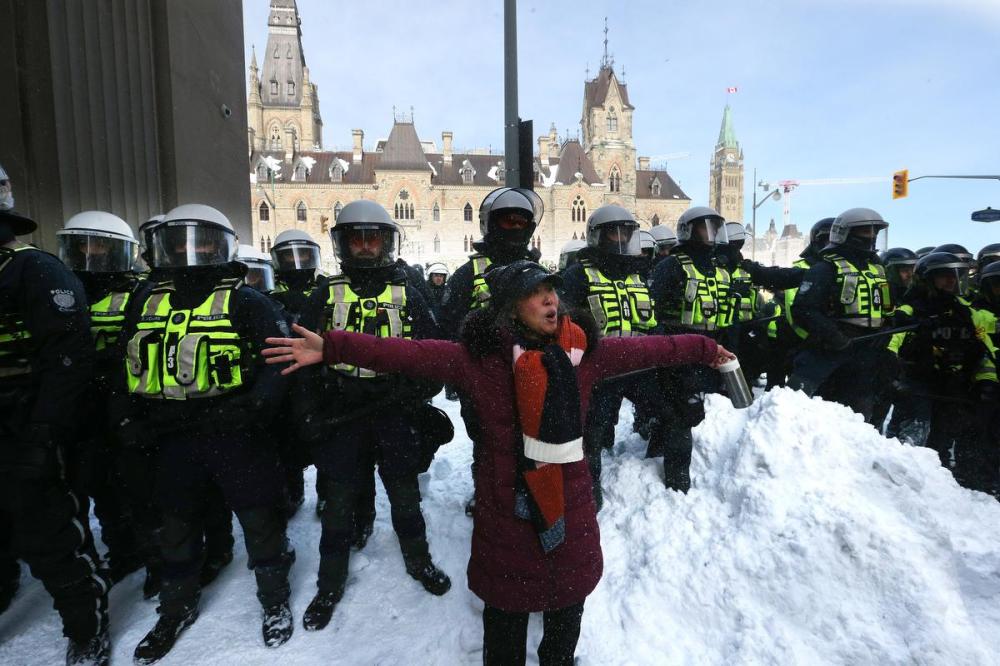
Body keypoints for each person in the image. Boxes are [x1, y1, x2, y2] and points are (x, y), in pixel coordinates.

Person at [263, 259, 734, 666]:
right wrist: (333, 347)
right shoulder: (480, 362)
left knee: (567, 608)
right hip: (506, 507)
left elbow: (657, 347)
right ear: (511, 308)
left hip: (570, 506)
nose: (550, 302)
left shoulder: (584, 356)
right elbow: (406, 353)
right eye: (535, 295)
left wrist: (708, 348)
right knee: (505, 617)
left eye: (551, 291)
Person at [117, 204, 295, 662]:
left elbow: (279, 363)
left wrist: (254, 407)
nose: (188, 253)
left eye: (200, 243)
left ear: (222, 248)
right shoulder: (145, 301)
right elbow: (122, 365)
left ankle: (274, 599)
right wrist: (127, 418)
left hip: (234, 430)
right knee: (175, 522)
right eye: (177, 243)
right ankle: (176, 606)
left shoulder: (246, 301)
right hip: (171, 433)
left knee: (258, 517)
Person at [295, 200, 450, 632]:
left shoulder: (411, 294)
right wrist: (308, 409)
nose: (365, 247)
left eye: (373, 238)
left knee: (404, 496)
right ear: (343, 243)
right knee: (339, 503)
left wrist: (415, 391)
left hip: (394, 412)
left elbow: (435, 356)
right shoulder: (324, 294)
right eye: (356, 238)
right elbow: (298, 356)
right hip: (342, 413)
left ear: (387, 242)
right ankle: (329, 584)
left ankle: (419, 562)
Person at [0, 165, 112, 665]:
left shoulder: (32, 270)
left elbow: (69, 357)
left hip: (24, 425)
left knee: (50, 535)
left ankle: (86, 627)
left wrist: (44, 432)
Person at [56, 211, 146, 586]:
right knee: (98, 486)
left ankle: (154, 556)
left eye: (101, 247)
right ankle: (123, 550)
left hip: (127, 401)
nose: (91, 255)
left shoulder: (139, 292)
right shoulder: (62, 292)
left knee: (138, 486)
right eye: (83, 247)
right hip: (80, 404)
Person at [438, 187, 542, 514]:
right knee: (486, 443)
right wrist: (456, 377)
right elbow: (446, 328)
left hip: (530, 374)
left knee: (530, 439)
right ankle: (486, 492)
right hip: (483, 378)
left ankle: (526, 491)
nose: (513, 228)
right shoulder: (467, 273)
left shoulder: (539, 271)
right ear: (490, 224)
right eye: (506, 221)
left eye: (519, 222)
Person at [559, 205, 660, 503]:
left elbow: (654, 323)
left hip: (638, 366)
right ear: (597, 236)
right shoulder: (578, 276)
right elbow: (562, 324)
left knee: (673, 409)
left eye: (626, 233)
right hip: (598, 367)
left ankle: (667, 472)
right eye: (613, 232)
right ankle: (590, 493)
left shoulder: (639, 276)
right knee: (591, 429)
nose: (620, 239)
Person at [887, 252, 998, 495]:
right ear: (928, 280)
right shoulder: (909, 308)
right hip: (919, 382)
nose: (953, 282)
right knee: (916, 433)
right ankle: (900, 486)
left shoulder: (967, 311)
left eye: (957, 276)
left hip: (953, 385)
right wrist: (894, 373)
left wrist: (986, 380)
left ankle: (941, 489)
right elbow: (890, 343)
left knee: (944, 437)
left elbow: (985, 349)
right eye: (945, 277)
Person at [649, 206, 731, 492]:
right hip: (679, 349)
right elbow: (653, 310)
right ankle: (677, 476)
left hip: (713, 348)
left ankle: (656, 449)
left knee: (686, 410)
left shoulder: (720, 269)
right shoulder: (670, 266)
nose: (710, 234)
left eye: (714, 227)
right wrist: (665, 346)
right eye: (703, 227)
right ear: (687, 230)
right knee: (684, 411)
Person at [788, 208, 894, 422]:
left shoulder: (877, 269)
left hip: (866, 352)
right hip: (828, 349)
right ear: (846, 233)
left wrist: (885, 331)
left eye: (875, 231)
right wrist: (834, 336)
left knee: (859, 415)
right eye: (866, 230)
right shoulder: (825, 268)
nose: (872, 236)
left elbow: (888, 308)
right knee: (800, 409)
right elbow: (803, 309)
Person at [269, 229, 325, 515]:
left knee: (325, 435)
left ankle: (326, 494)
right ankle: (292, 491)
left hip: (320, 372)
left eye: (303, 255)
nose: (297, 262)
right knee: (285, 436)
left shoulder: (326, 286)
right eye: (289, 256)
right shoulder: (267, 291)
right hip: (283, 371)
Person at [764, 218, 834, 388]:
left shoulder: (845, 270)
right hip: (798, 339)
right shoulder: (802, 267)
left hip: (833, 342)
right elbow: (799, 309)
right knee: (784, 393)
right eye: (826, 241)